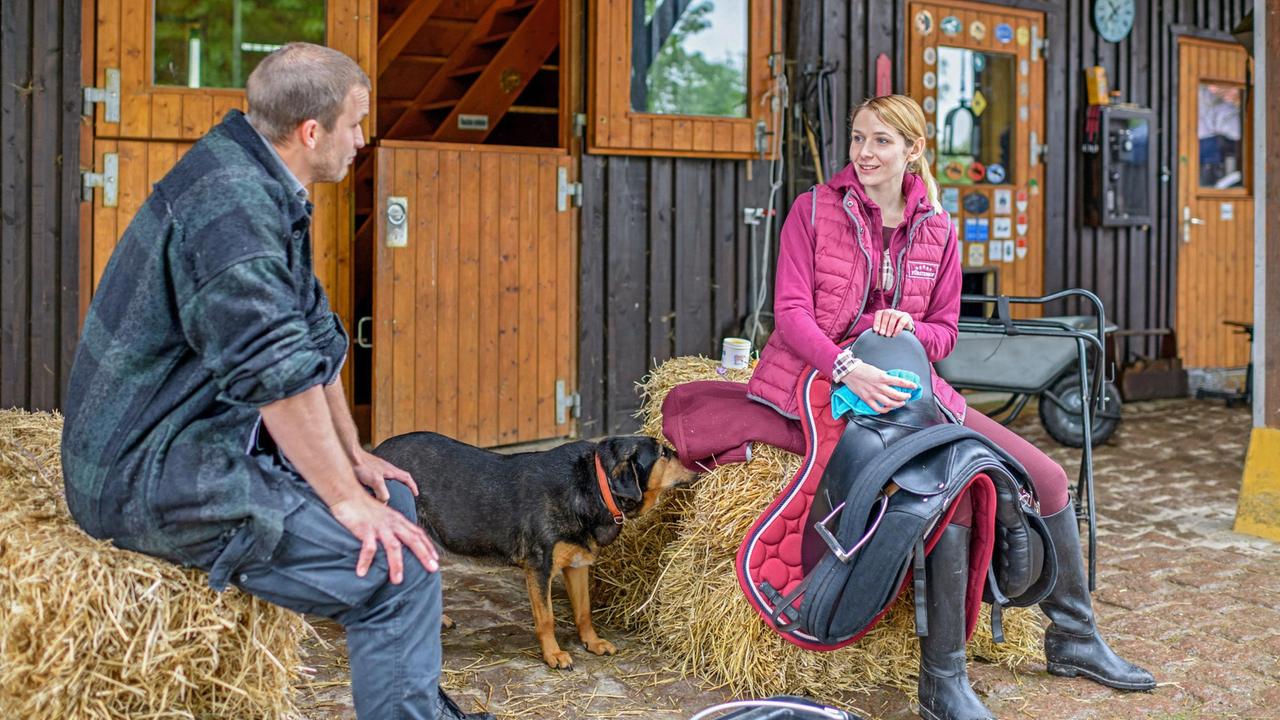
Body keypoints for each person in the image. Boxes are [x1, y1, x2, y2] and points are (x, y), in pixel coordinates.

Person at [60, 43, 492, 720]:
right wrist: (344, 506)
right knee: (396, 574)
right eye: (355, 124)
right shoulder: (232, 213)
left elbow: (310, 345)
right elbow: (275, 374)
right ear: (311, 132)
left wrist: (351, 462)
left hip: (200, 438)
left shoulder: (257, 177)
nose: (362, 139)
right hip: (150, 472)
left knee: (398, 507)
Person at [744, 95, 1155, 720]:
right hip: (823, 380)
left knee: (1043, 478)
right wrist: (850, 362)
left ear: (913, 150)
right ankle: (943, 681)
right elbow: (793, 315)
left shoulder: (936, 226)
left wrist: (907, 328)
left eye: (881, 141)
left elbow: (945, 332)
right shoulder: (813, 209)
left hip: (909, 386)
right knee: (950, 491)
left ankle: (1073, 637)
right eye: (858, 139)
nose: (864, 153)